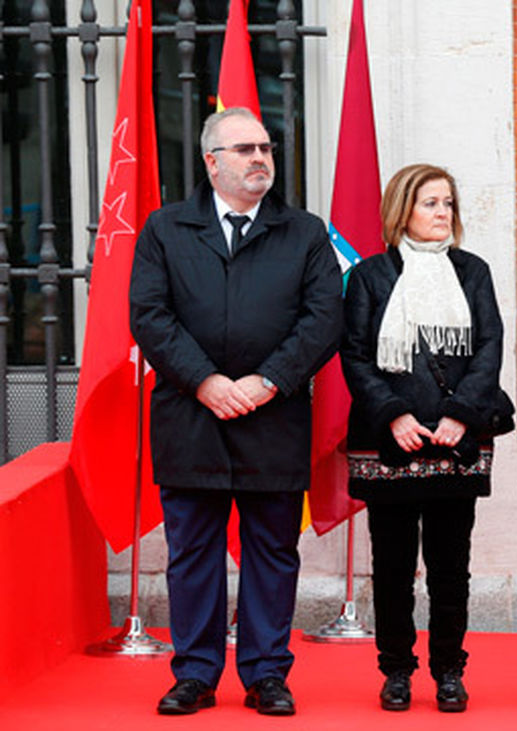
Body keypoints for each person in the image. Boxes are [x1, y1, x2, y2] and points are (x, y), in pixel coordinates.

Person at [129, 107, 343, 716]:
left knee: (272, 552)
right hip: (190, 416)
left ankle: (266, 674)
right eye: (244, 149)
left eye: (266, 149)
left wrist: (268, 380)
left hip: (271, 417)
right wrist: (205, 382)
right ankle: (194, 673)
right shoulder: (165, 229)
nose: (259, 159)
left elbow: (324, 317)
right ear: (211, 162)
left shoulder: (303, 232)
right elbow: (149, 314)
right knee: (192, 552)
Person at [340, 164, 507, 713]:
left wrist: (460, 414)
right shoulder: (370, 276)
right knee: (391, 566)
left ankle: (448, 670)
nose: (443, 213)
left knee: (449, 566)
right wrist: (394, 415)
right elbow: (356, 355)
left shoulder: (473, 272)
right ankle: (396, 670)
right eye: (431, 203)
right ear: (402, 211)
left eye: (448, 204)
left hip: (455, 443)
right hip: (389, 442)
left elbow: (490, 348)